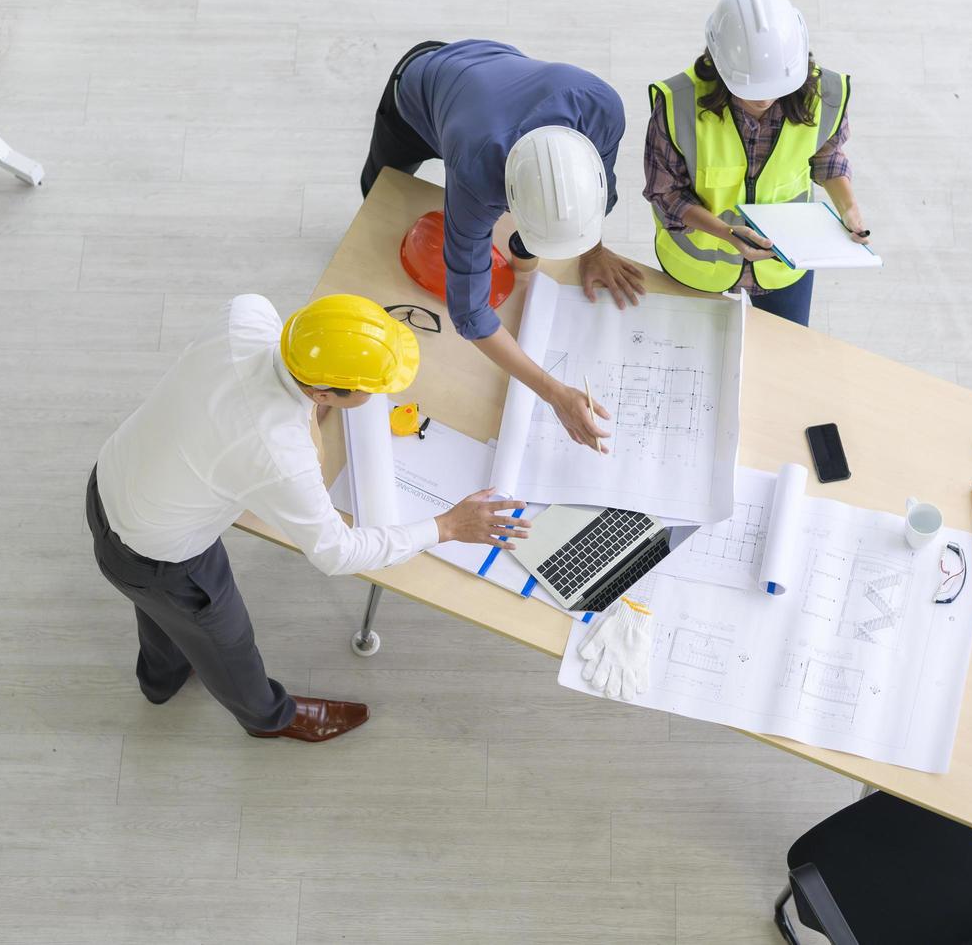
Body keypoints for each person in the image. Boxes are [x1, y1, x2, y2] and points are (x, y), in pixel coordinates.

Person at [87, 294, 529, 741]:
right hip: (158, 554)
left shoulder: (246, 315)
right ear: (320, 392)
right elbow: (337, 553)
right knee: (227, 642)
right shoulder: (279, 454)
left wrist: (311, 412)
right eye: (371, 389)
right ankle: (268, 719)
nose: (379, 394)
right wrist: (449, 526)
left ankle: (159, 682)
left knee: (161, 614)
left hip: (113, 481)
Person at [361, 39, 643, 453]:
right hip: (418, 87)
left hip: (487, 74)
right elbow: (470, 313)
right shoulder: (477, 173)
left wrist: (594, 250)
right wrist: (552, 392)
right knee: (379, 192)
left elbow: (599, 193)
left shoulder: (600, 107)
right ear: (506, 199)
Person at [643, 0, 869, 326]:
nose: (764, 99)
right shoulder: (677, 104)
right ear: (718, 64)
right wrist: (727, 234)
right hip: (697, 270)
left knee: (785, 366)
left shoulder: (825, 94)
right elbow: (666, 193)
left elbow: (826, 155)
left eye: (774, 88)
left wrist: (849, 208)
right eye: (750, 89)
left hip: (784, 265)